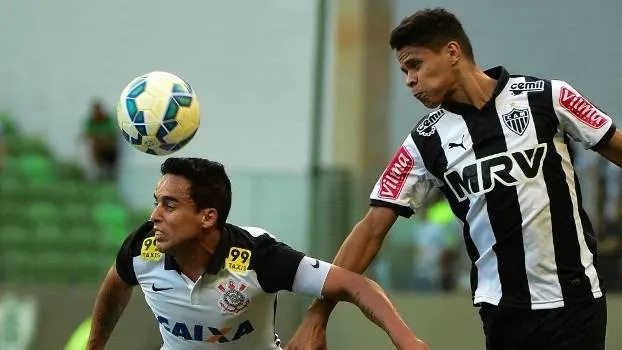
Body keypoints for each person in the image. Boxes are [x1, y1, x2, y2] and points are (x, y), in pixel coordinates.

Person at [286, 7, 622, 350]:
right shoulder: (423, 142)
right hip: (503, 312)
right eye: (404, 71)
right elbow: (371, 229)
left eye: (415, 65)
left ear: (452, 52)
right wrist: (317, 314)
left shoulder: (548, 97)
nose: (409, 81)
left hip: (576, 301)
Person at [86, 157, 428, 350]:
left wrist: (406, 340)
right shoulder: (142, 248)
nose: (154, 216)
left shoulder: (257, 256)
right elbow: (115, 285)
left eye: (170, 205)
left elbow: (356, 285)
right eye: (156, 203)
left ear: (208, 216)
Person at [83, 100, 119, 181]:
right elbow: (87, 135)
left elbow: (112, 134)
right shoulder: (90, 121)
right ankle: (98, 169)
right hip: (97, 148)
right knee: (94, 144)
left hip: (110, 148)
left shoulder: (109, 120)